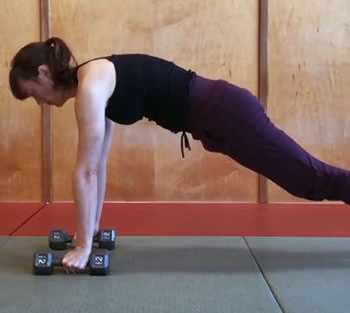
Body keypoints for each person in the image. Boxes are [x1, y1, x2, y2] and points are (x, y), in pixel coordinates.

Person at [8, 37, 350, 273]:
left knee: (310, 180)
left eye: (33, 94)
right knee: (309, 180)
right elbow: (96, 164)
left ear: (42, 74)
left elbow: (84, 174)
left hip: (225, 112)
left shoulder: (92, 87)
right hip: (216, 120)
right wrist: (90, 231)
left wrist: (83, 248)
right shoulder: (93, 83)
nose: (39, 103)